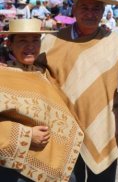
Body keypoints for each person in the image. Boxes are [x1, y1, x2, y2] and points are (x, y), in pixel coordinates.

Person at [36, 0, 118, 181]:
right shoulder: (51, 42)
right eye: (84, 7)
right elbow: (34, 77)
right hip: (63, 132)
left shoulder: (115, 43)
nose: (90, 13)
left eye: (96, 8)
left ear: (103, 12)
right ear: (74, 9)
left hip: (104, 130)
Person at [0, 19, 83, 181]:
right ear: (10, 44)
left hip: (50, 161)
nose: (30, 46)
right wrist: (27, 134)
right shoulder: (3, 74)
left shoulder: (44, 74)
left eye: (35, 40)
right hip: (14, 169)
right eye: (23, 40)